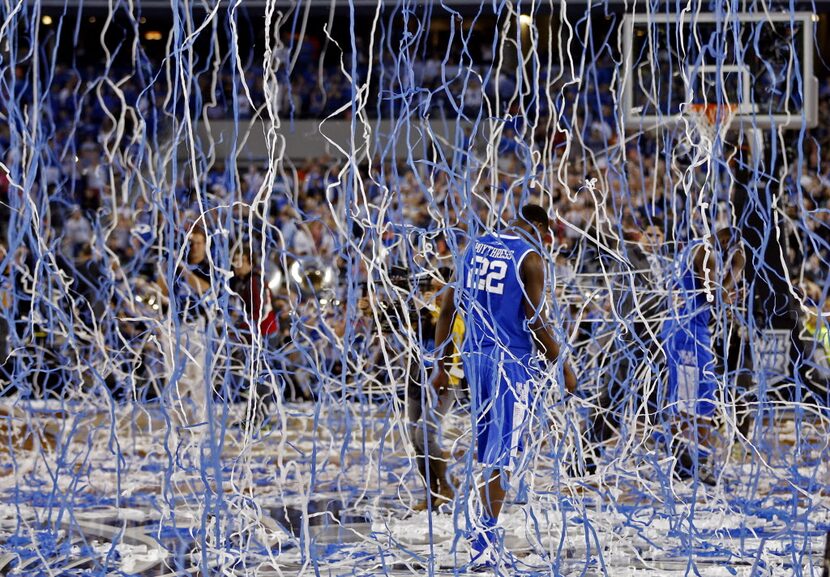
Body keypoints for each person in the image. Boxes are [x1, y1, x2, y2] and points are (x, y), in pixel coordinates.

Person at [433, 204, 577, 567]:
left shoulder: (475, 247)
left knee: (489, 454)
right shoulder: (529, 259)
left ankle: (483, 531)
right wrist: (563, 365)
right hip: (510, 364)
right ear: (540, 227)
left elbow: (448, 307)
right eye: (547, 234)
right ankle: (483, 540)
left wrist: (441, 365)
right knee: (503, 456)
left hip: (474, 361)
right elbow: (536, 324)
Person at [660, 227, 745, 484]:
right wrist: (736, 270)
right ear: (726, 241)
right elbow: (714, 297)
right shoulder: (706, 253)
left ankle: (684, 462)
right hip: (689, 332)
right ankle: (693, 462)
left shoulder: (690, 249)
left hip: (681, 328)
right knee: (697, 399)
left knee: (690, 396)